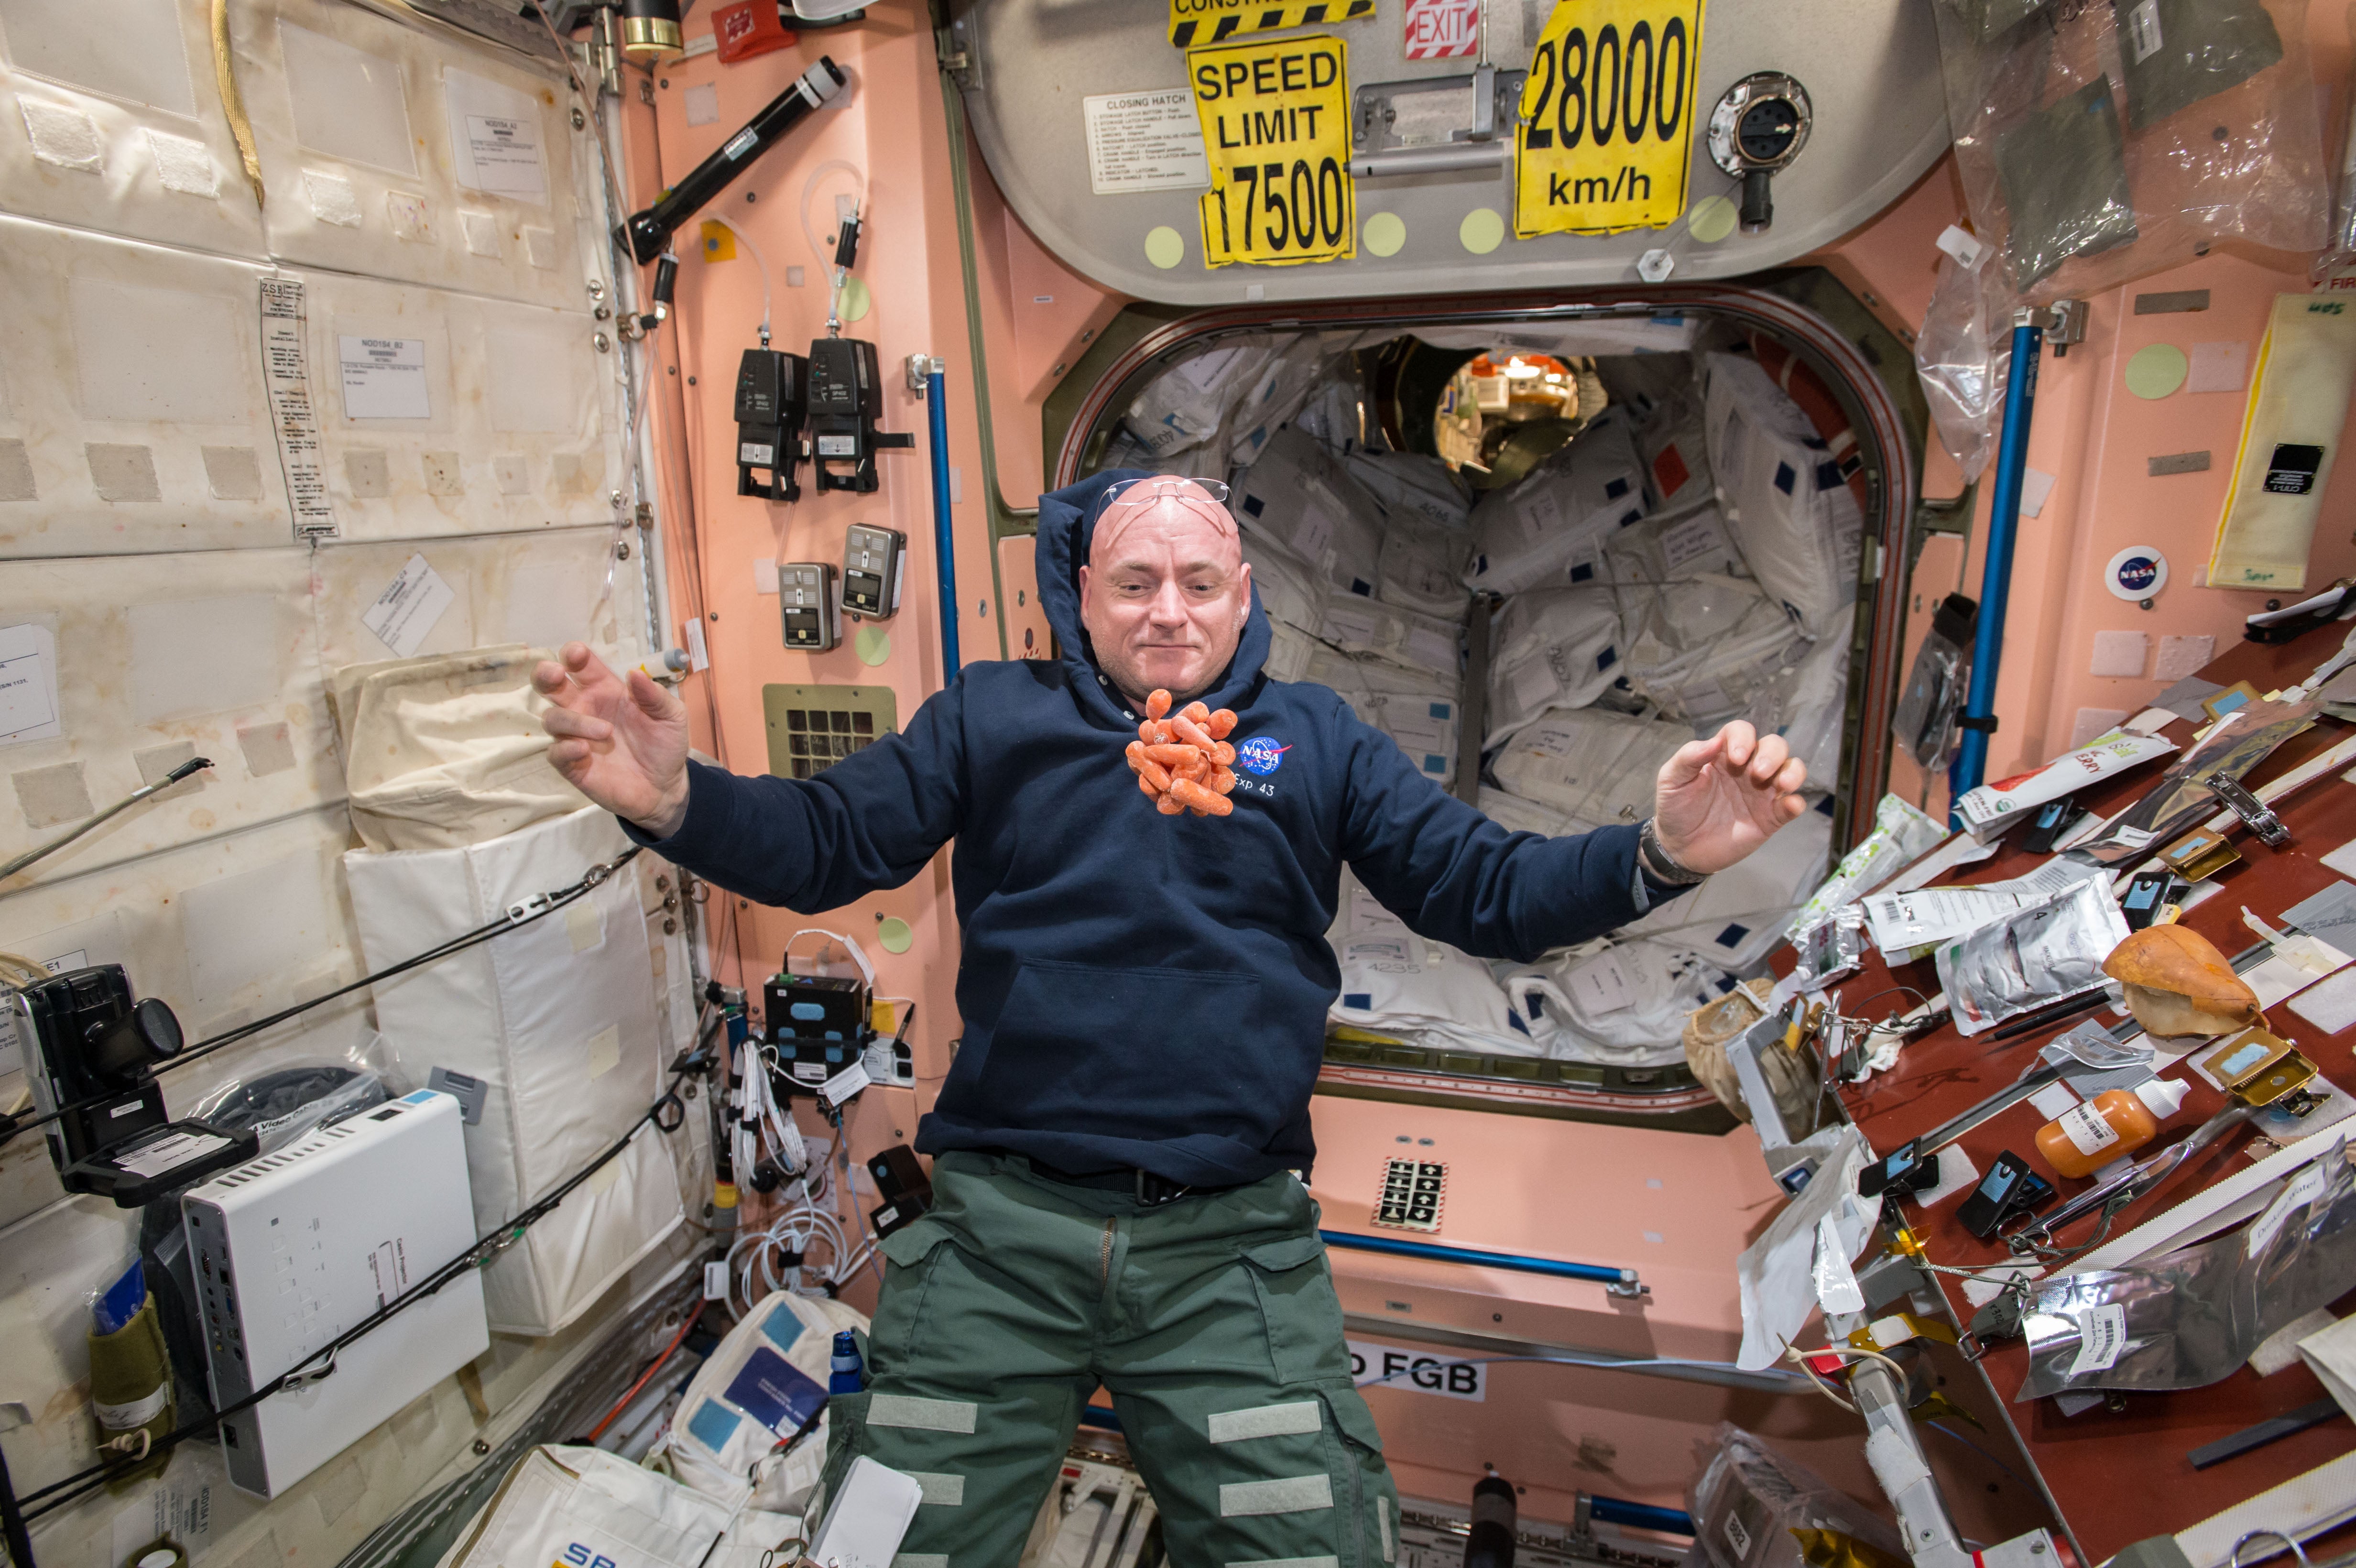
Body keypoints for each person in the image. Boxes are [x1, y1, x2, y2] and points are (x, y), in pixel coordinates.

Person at [536, 473, 1809, 1568]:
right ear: (1083, 594)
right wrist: (677, 801)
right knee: (885, 1541)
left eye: (1200, 582)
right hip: (999, 1236)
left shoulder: (1318, 743)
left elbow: (1490, 891)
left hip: (1228, 1250)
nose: (1169, 612)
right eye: (1135, 581)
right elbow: (823, 845)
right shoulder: (995, 717)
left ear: (1245, 593)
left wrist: (1657, 858)